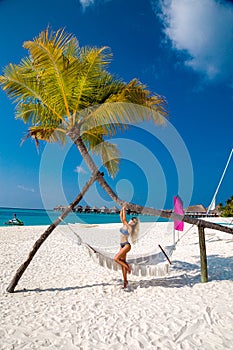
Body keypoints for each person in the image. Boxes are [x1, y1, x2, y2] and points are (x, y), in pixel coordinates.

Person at [114, 205, 140, 289]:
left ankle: (128, 267)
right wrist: (122, 209)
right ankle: (125, 281)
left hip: (126, 245)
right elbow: (121, 217)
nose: (132, 222)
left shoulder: (130, 227)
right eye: (132, 220)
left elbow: (124, 219)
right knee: (122, 263)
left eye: (134, 222)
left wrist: (124, 209)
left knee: (116, 259)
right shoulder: (125, 225)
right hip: (121, 245)